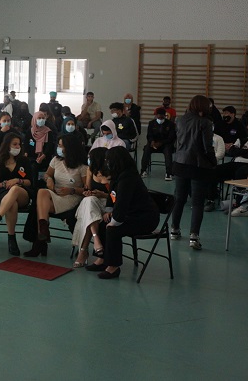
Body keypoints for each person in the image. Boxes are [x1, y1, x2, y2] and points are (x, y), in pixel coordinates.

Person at [85, 147, 159, 280]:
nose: (106, 162)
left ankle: (113, 267)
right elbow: (112, 195)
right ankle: (102, 259)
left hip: (145, 218)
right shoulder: (117, 174)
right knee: (103, 224)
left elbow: (122, 203)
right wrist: (108, 211)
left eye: (108, 160)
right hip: (131, 215)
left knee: (113, 230)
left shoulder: (128, 177)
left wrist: (115, 221)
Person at [25, 133, 88, 257]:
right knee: (42, 192)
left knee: (39, 206)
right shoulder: (56, 160)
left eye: (61, 146)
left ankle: (40, 240)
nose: (58, 148)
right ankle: (43, 228)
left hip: (71, 196)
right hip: (56, 193)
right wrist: (49, 179)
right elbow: (47, 174)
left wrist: (72, 190)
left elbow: (86, 190)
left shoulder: (82, 167)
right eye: (58, 145)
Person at [170, 95, 216, 250]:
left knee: (179, 199)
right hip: (198, 165)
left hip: (180, 163)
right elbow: (207, 147)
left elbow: (177, 142)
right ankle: (194, 236)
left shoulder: (179, 120)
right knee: (197, 202)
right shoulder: (205, 122)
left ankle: (174, 230)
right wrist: (213, 162)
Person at [0, 133, 34, 256]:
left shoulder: (24, 161)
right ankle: (11, 238)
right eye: (14, 144)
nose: (18, 147)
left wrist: (17, 180)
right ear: (7, 145)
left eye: (19, 144)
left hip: (22, 193)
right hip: (2, 194)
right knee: (12, 204)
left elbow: (30, 182)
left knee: (15, 189)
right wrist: (4, 184)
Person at [71, 147, 111, 268]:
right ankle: (96, 239)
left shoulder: (112, 172)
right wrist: (88, 192)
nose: (88, 160)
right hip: (93, 202)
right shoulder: (90, 170)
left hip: (107, 203)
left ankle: (83, 251)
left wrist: (102, 194)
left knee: (88, 212)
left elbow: (116, 195)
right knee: (89, 201)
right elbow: (88, 188)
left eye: (90, 158)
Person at [140, 108, 176, 181]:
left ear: (165, 116)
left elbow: (171, 138)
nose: (160, 119)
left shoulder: (170, 124)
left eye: (161, 117)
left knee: (168, 151)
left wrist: (161, 143)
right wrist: (152, 141)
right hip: (154, 144)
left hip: (165, 144)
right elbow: (149, 135)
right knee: (146, 149)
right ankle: (143, 170)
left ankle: (168, 173)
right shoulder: (151, 123)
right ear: (156, 116)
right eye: (158, 117)